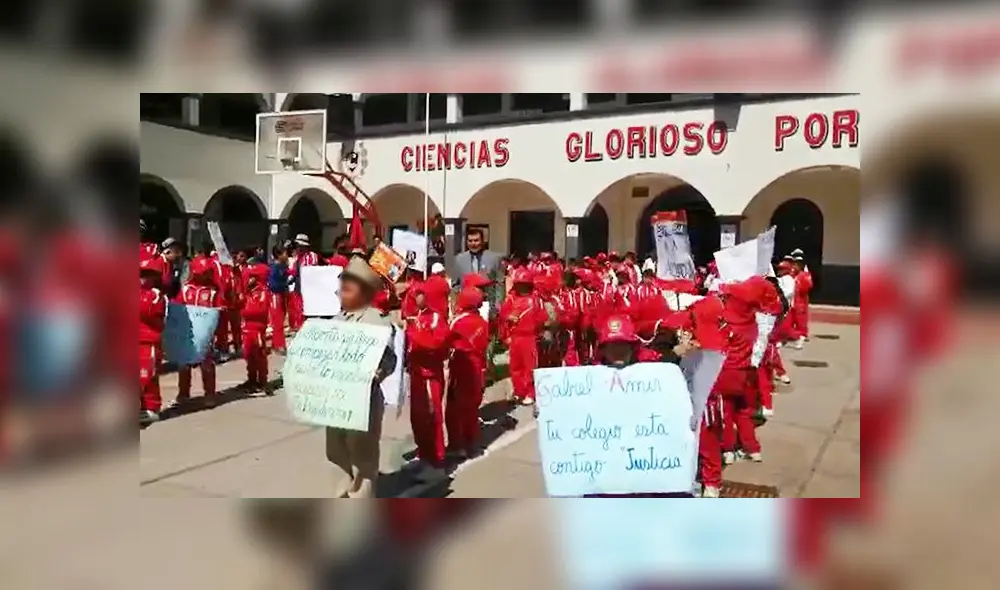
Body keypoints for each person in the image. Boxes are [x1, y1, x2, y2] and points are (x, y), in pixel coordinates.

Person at [325, 256, 397, 498]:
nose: (340, 294)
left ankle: (360, 499)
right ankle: (341, 493)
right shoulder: (337, 319)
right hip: (335, 398)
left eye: (346, 289)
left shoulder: (377, 321)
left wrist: (374, 374)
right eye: (340, 289)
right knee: (336, 449)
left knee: (362, 454)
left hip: (363, 400)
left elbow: (390, 360)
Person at [404, 285, 450, 476]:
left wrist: (413, 334)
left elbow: (435, 344)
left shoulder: (437, 319)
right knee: (417, 417)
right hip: (416, 375)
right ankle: (424, 452)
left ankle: (437, 457)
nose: (416, 298)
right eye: (414, 295)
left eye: (419, 294)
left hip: (430, 376)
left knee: (433, 416)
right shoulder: (415, 318)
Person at [446, 287, 490, 458]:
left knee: (455, 407)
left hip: (461, 365)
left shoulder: (458, 321)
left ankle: (457, 444)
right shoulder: (481, 322)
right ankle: (471, 443)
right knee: (471, 407)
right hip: (476, 366)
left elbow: (447, 341)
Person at [173, 257, 223, 408]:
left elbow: (219, 312)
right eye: (201, 273)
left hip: (205, 334)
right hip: (187, 333)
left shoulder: (213, 292)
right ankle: (183, 393)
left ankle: (209, 393)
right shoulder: (186, 289)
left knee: (207, 364)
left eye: (206, 273)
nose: (204, 276)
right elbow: (178, 307)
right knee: (184, 364)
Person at [498, 269, 547, 405]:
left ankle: (530, 392)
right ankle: (518, 391)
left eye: (524, 284)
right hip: (515, 337)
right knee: (515, 366)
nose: (521, 287)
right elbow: (502, 318)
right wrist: (507, 330)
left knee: (530, 367)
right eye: (519, 284)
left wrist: (538, 333)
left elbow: (542, 318)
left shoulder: (536, 299)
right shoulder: (511, 299)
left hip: (530, 337)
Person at [139, 257, 167, 425]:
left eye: (148, 274)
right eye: (141, 273)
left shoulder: (157, 295)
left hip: (149, 341)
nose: (143, 277)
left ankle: (152, 407)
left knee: (148, 375)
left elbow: (147, 311)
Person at [240, 262, 272, 393]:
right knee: (249, 355)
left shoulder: (262, 293)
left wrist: (243, 309)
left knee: (259, 355)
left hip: (257, 328)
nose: (249, 279)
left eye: (252, 277)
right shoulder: (249, 292)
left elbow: (258, 311)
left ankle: (262, 381)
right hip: (247, 328)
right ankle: (251, 379)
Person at [453, 228, 504, 305]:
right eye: (470, 241)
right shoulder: (459, 259)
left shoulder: (495, 259)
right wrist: (456, 304)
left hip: (488, 303)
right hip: (467, 304)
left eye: (476, 240)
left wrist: (498, 304)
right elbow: (455, 285)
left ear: (483, 241)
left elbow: (500, 283)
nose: (473, 243)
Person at [287, 233, 320, 332]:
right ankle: (298, 325)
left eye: (301, 246)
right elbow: (293, 271)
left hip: (309, 284)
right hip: (298, 283)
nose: (299, 248)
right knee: (298, 306)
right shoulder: (297, 257)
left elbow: (312, 269)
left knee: (307, 306)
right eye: (298, 246)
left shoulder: (312, 256)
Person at [268, 245, 290, 353]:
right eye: (285, 253)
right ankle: (279, 345)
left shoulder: (283, 266)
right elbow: (272, 285)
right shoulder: (274, 268)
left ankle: (275, 343)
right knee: (278, 321)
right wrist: (284, 284)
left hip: (282, 295)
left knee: (281, 318)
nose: (287, 255)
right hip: (276, 295)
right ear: (279, 255)